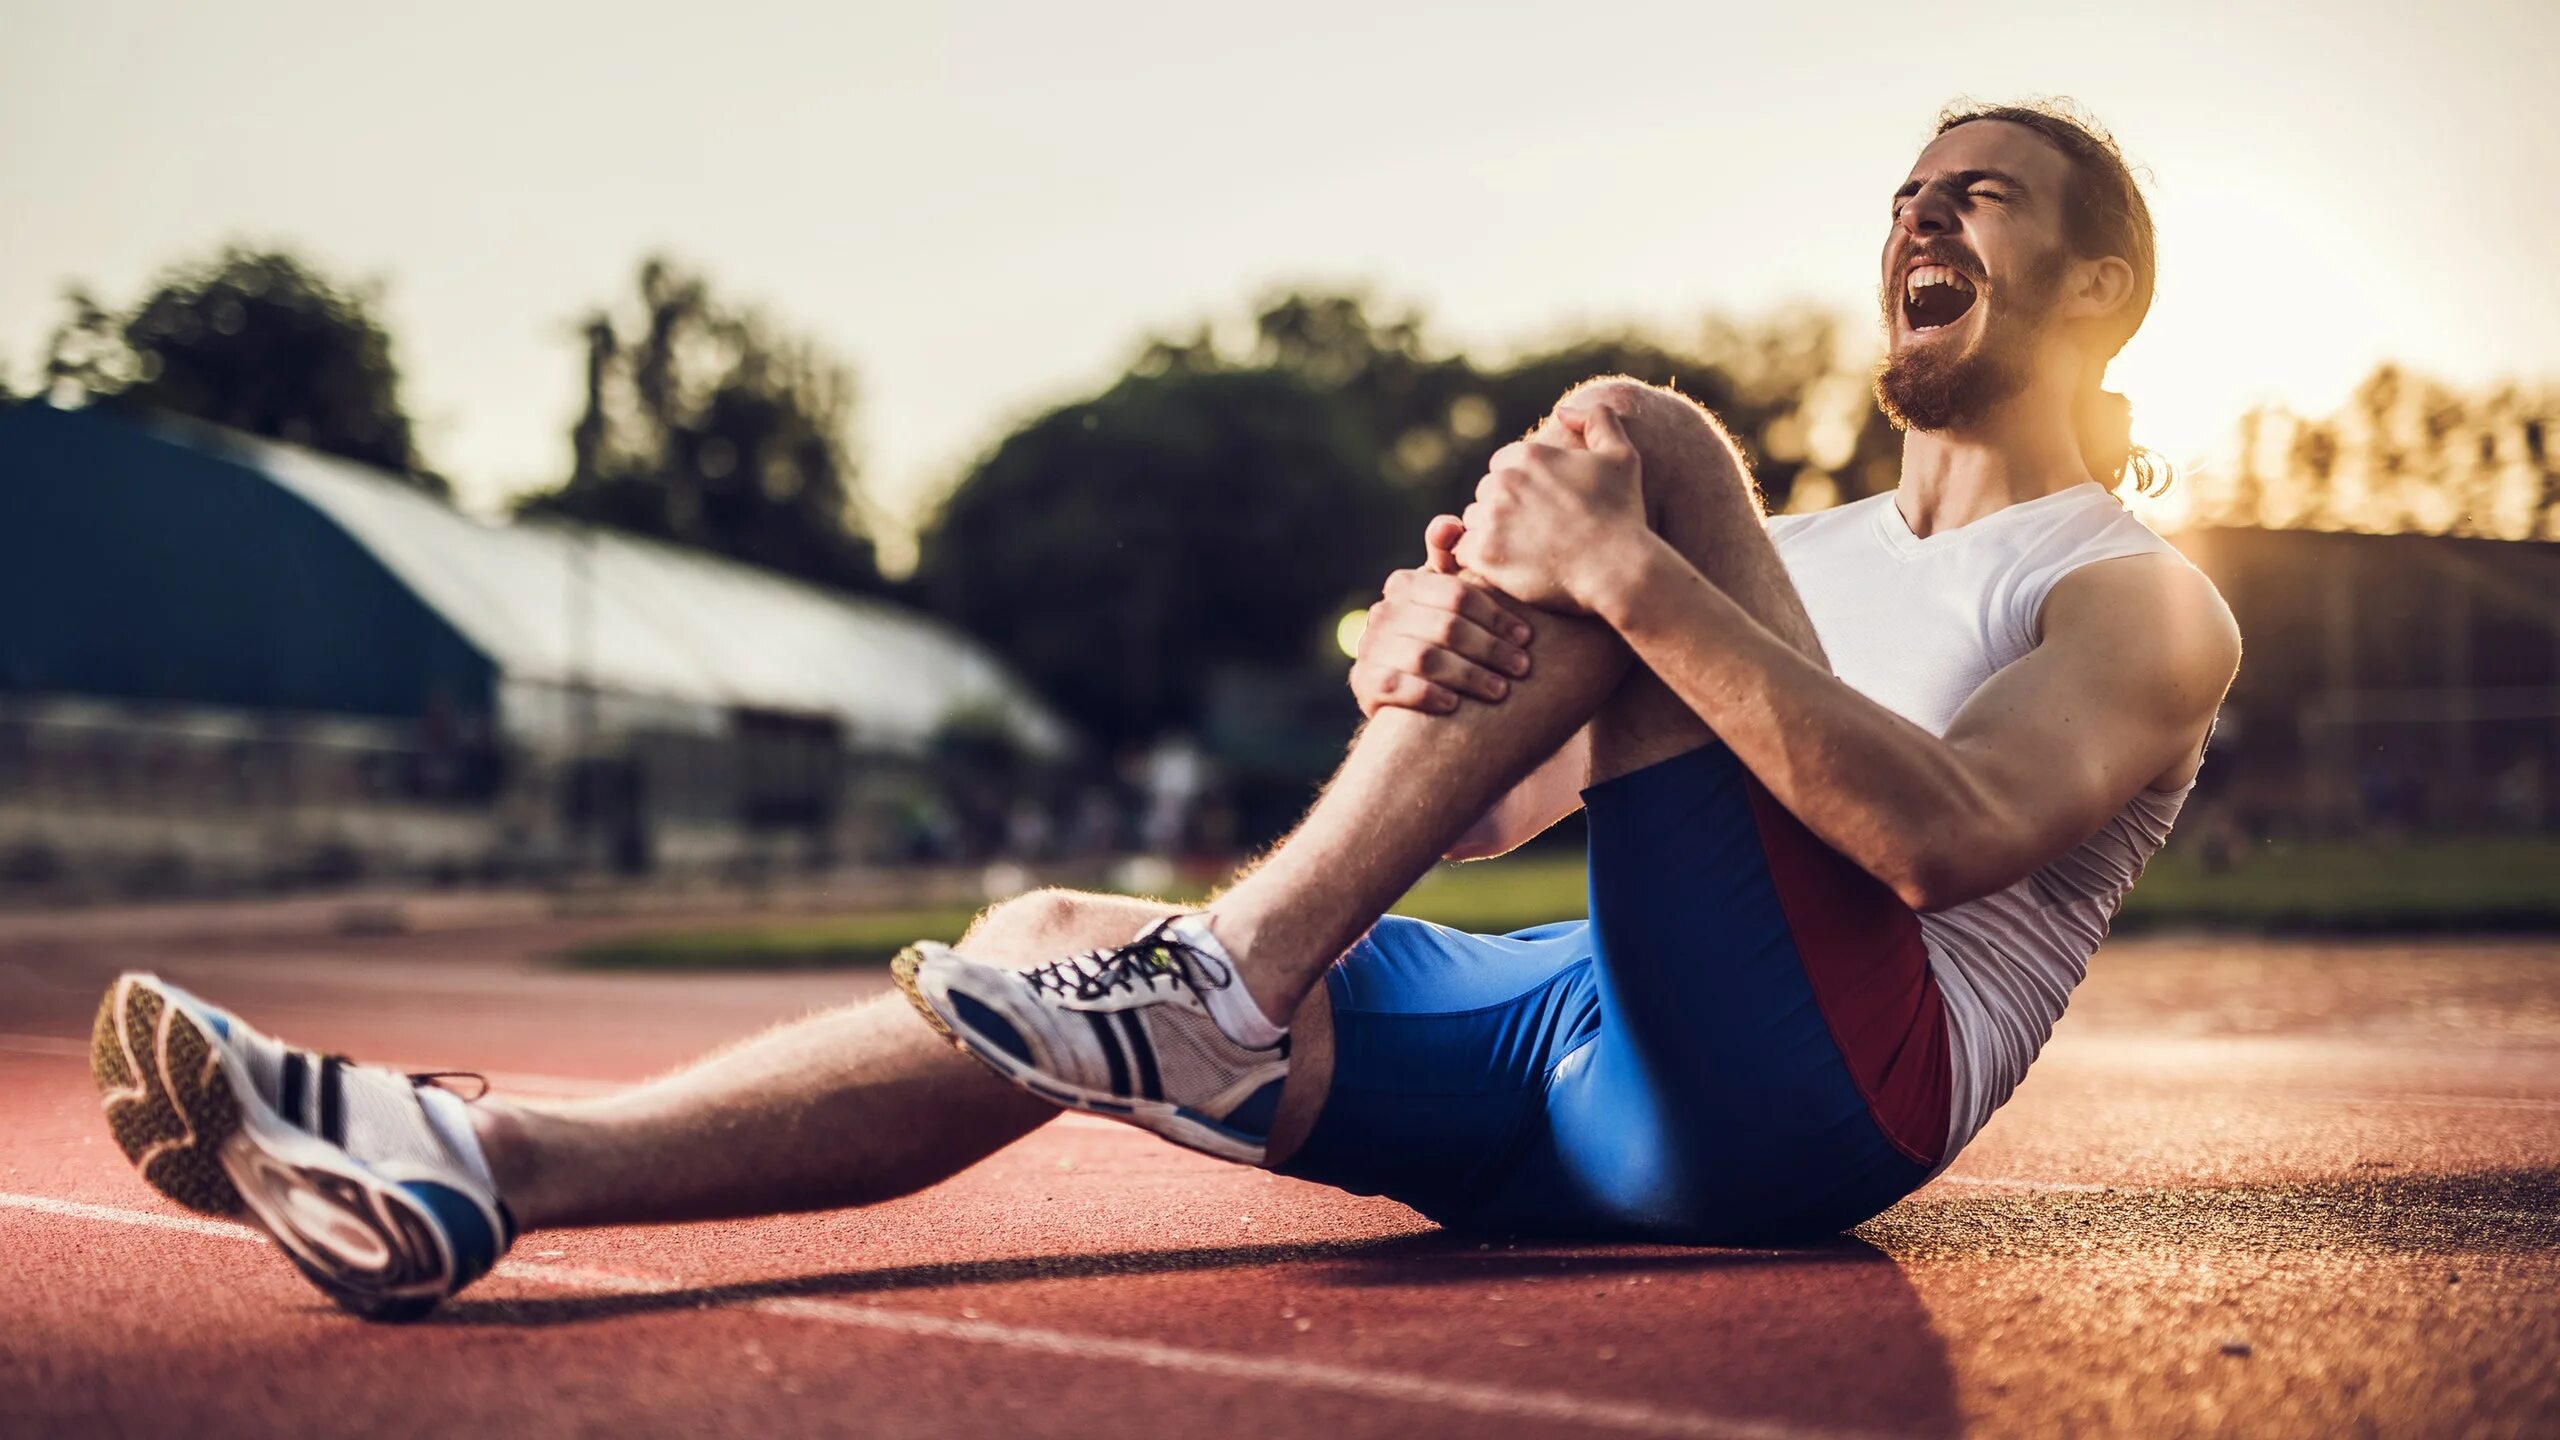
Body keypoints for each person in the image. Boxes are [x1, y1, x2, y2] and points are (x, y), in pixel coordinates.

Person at [92, 99, 2239, 1321]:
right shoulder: (1819, 564)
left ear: (2092, 286)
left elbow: (1942, 836)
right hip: (1582, 1037)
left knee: (1632, 435)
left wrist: (1627, 562)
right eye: (1899, 197)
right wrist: (1433, 664)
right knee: (1045, 944)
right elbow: (1516, 813)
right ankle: (482, 1166)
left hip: (1819, 1103)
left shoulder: (2130, 600)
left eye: (1972, 197)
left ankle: (1211, 977)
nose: (1910, 221)